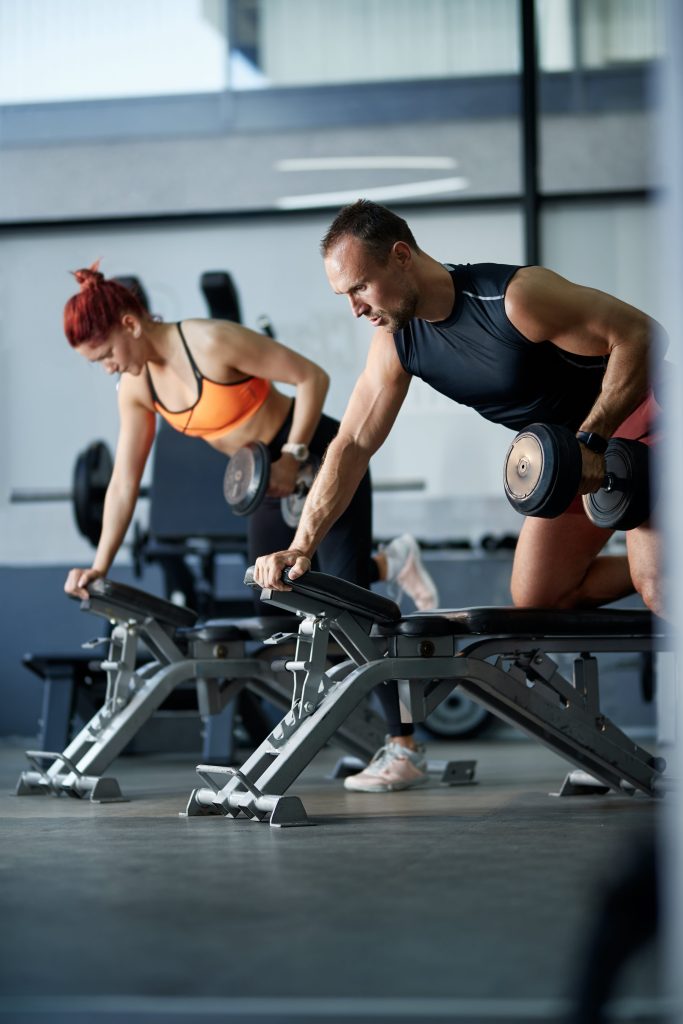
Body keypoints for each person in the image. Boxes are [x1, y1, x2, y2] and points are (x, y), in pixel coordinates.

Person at [253, 199, 664, 792]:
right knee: (540, 595)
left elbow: (640, 334)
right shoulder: (399, 343)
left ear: (401, 257)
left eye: (360, 286)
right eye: (345, 295)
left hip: (642, 424)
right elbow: (351, 445)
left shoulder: (514, 298)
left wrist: (593, 440)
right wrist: (303, 546)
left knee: (658, 589)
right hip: (574, 459)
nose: (355, 307)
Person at [61, 262, 439, 748]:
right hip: (264, 482)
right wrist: (99, 566)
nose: (108, 367)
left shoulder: (211, 343)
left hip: (315, 454)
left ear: (130, 325)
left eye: (106, 354)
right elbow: (123, 482)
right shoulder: (137, 387)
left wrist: (293, 454)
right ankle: (391, 566)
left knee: (351, 607)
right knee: (278, 609)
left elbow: (311, 378)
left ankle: (403, 746)